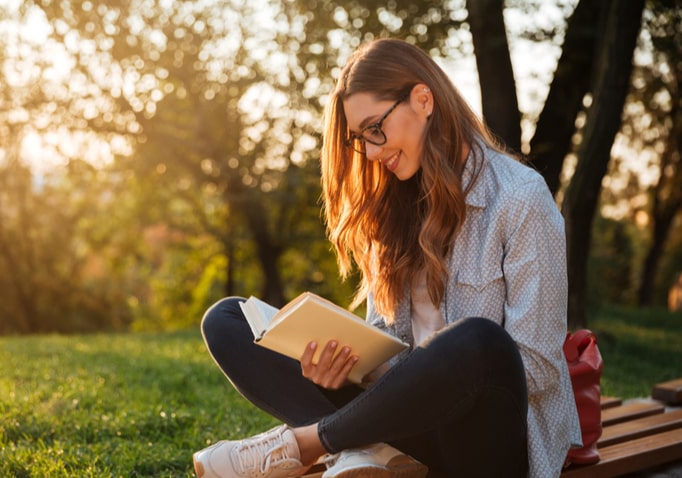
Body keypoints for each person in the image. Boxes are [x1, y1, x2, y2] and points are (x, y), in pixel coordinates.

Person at [193, 38, 581, 478]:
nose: (373, 152)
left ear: (422, 99)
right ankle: (368, 449)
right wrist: (347, 366)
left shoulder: (520, 198)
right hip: (401, 429)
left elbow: (538, 368)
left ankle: (308, 444)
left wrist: (426, 380)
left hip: (484, 439)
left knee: (479, 342)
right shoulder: (392, 205)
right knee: (228, 321)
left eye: (375, 129)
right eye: (362, 139)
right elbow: (384, 344)